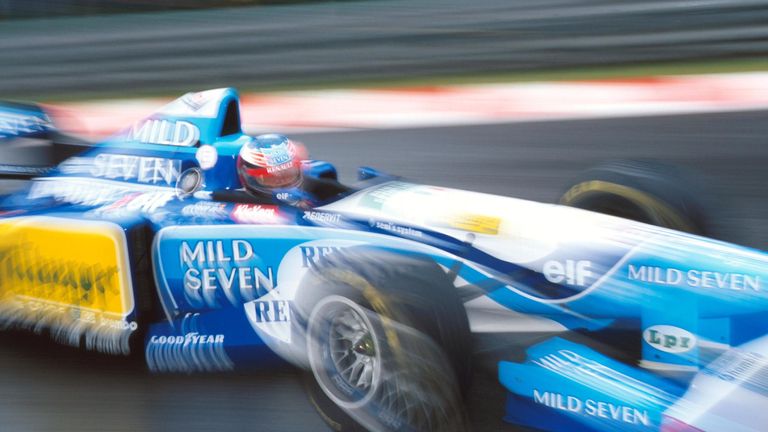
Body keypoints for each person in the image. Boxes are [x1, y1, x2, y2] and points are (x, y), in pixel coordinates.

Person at [235, 133, 348, 207]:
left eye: (287, 175)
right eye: (270, 178)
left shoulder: (318, 187)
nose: (282, 183)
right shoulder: (230, 203)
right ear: (248, 177)